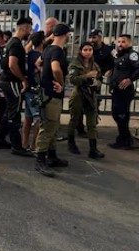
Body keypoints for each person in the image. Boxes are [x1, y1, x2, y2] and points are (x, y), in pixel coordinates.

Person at [34, 23, 71, 177]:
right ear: (66, 35)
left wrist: (45, 76)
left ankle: (52, 155)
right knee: (48, 127)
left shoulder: (48, 49)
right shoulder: (57, 51)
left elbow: (38, 63)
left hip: (49, 93)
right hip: (51, 95)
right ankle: (40, 160)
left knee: (54, 126)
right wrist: (60, 84)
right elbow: (56, 68)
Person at [0, 17, 34, 157]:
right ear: (24, 28)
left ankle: (1, 140)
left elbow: (19, 54)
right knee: (14, 113)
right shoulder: (15, 44)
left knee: (8, 111)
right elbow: (13, 64)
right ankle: (17, 146)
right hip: (12, 82)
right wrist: (22, 79)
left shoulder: (13, 42)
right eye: (29, 29)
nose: (29, 32)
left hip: (7, 81)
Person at [108, 34, 139, 150]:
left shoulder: (132, 55)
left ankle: (124, 140)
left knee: (122, 115)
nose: (120, 44)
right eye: (119, 42)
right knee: (117, 115)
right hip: (117, 90)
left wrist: (130, 79)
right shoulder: (119, 55)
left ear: (129, 43)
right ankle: (125, 137)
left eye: (123, 42)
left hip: (125, 91)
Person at [66, 42, 105, 159]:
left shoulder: (95, 65)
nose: (88, 52)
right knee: (75, 119)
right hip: (78, 93)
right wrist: (86, 76)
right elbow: (72, 80)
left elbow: (99, 78)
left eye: (90, 49)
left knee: (92, 122)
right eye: (85, 50)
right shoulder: (75, 64)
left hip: (91, 94)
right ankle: (71, 143)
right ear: (81, 51)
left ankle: (93, 149)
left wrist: (97, 83)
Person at [22, 31, 44, 152]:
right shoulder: (40, 55)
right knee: (38, 119)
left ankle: (24, 143)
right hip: (37, 90)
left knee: (28, 118)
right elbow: (39, 67)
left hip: (29, 88)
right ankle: (34, 145)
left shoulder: (29, 53)